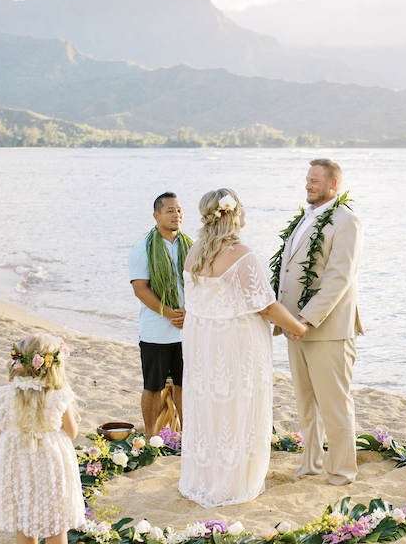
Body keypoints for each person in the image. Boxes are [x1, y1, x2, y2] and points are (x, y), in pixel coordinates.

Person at [179, 188, 307, 507]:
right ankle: (235, 481)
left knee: (211, 406)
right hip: (235, 344)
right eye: (242, 209)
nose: (246, 213)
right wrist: (298, 327)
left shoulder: (194, 253)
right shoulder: (242, 255)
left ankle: (208, 475)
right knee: (238, 405)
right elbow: (266, 306)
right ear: (233, 215)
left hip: (203, 343)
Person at [272, 159, 363, 486]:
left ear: (333, 184)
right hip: (293, 326)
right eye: (307, 179)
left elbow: (339, 278)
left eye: (315, 180)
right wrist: (285, 319)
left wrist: (306, 320)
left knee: (335, 403)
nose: (308, 185)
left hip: (326, 329)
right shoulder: (305, 218)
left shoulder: (347, 221)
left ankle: (341, 471)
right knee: (305, 401)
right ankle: (310, 464)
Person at [0, 332, 83, 544]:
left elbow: (1, 431)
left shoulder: (7, 395)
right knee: (55, 524)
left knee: (25, 525)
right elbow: (71, 433)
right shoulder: (59, 395)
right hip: (50, 463)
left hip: (20, 464)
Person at [128, 192, 191, 437]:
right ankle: (150, 436)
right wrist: (168, 312)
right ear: (157, 215)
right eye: (170, 211)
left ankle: (189, 434)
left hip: (187, 328)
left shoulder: (192, 247)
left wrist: (190, 313)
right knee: (153, 386)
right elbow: (140, 288)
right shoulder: (143, 248)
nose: (177, 215)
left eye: (179, 210)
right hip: (155, 330)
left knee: (185, 385)